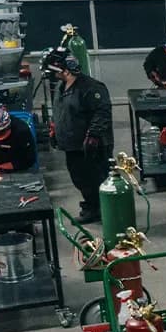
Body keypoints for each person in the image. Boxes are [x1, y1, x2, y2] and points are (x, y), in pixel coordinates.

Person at [44, 52, 113, 224]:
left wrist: (93, 136)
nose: (53, 75)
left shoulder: (91, 87)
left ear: (65, 70)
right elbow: (61, 112)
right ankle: (91, 206)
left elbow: (102, 112)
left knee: (95, 178)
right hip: (72, 145)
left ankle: (100, 210)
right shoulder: (62, 87)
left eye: (55, 71)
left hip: (90, 146)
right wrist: (55, 131)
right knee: (80, 179)